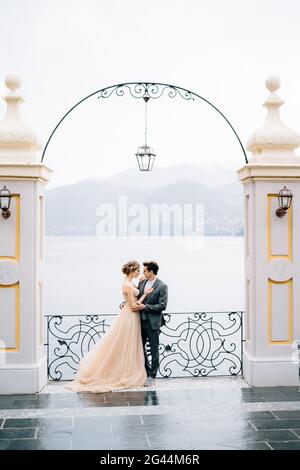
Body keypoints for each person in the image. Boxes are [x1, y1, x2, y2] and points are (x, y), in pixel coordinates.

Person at [65, 261, 154, 393]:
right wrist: (146, 294)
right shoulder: (128, 286)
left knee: (128, 345)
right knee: (127, 345)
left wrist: (140, 281)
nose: (139, 273)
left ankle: (126, 370)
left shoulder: (129, 283)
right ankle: (125, 373)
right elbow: (134, 306)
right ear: (132, 270)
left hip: (129, 315)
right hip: (130, 316)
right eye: (137, 271)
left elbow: (132, 294)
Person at [132, 261, 168, 386]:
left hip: (153, 323)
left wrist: (145, 307)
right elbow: (136, 298)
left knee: (154, 350)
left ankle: (152, 376)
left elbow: (162, 306)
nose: (142, 273)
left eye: (145, 271)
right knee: (140, 348)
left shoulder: (162, 286)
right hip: (140, 322)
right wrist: (126, 304)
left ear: (151, 271)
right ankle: (146, 372)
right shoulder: (142, 283)